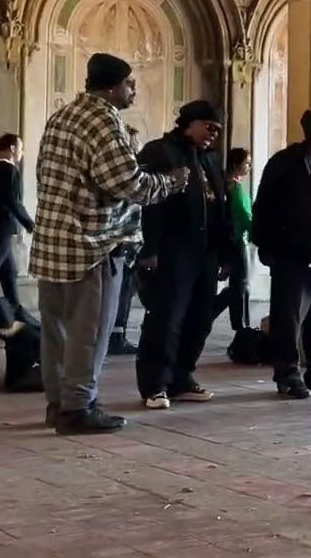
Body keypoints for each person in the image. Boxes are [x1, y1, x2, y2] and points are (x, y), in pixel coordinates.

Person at [30, 52, 188, 435]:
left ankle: (58, 404)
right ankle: (78, 408)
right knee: (91, 333)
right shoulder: (103, 120)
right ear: (114, 86)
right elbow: (126, 183)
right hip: (92, 246)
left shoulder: (62, 117)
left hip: (54, 243)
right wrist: (171, 182)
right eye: (131, 84)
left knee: (56, 334)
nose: (134, 90)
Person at [134, 100, 230, 409]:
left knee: (200, 318)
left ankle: (181, 378)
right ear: (190, 122)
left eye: (218, 131)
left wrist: (225, 253)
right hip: (172, 251)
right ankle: (155, 384)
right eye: (209, 128)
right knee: (166, 319)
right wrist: (149, 250)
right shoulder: (160, 152)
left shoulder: (211, 159)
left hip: (206, 253)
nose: (213, 135)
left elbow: (221, 206)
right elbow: (147, 204)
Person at [251, 110, 311, 399]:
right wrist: (266, 247)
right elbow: (263, 207)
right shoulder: (286, 163)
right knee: (288, 318)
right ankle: (287, 374)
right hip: (294, 256)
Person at [0, 133, 35, 317]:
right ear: (12, 149)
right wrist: (29, 224)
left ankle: (17, 310)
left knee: (9, 273)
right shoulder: (10, 171)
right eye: (20, 148)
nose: (22, 152)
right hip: (3, 229)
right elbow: (13, 202)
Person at [108, 125, 143, 356]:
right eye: (134, 142)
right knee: (122, 291)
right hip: (125, 240)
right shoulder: (125, 173)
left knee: (123, 291)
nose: (137, 146)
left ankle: (116, 335)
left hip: (125, 239)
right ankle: (116, 337)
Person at [212, 147, 253, 332]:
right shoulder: (234, 188)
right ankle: (215, 312)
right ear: (236, 164)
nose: (249, 167)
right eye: (247, 163)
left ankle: (239, 324)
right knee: (240, 285)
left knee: (239, 285)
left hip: (234, 240)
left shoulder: (229, 185)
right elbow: (244, 216)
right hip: (236, 242)